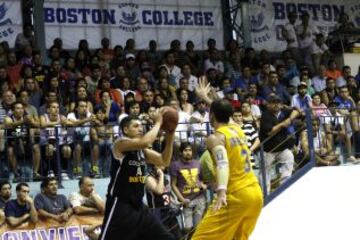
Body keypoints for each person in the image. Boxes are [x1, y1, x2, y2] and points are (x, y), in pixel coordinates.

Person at [191, 99, 263, 240]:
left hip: (234, 196)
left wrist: (222, 191)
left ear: (211, 115)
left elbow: (222, 163)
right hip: (255, 193)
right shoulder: (237, 129)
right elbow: (225, 113)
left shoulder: (216, 138)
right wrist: (207, 98)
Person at [99, 110, 176, 240]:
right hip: (120, 205)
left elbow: (164, 160)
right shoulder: (120, 144)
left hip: (139, 206)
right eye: (136, 126)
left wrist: (170, 135)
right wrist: (159, 122)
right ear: (125, 129)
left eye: (141, 126)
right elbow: (146, 142)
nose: (140, 128)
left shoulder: (142, 151)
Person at [170, 142, 207, 234]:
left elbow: (202, 180)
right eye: (185, 150)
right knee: (187, 227)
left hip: (199, 198)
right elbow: (173, 185)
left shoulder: (198, 163)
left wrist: (203, 185)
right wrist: (182, 199)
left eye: (190, 150)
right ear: (181, 152)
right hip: (186, 200)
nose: (188, 152)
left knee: (197, 227)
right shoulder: (175, 165)